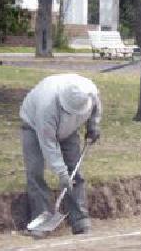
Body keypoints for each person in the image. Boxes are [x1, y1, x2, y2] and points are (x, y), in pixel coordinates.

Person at [19, 73, 102, 235]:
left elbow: (96, 107)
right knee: (35, 172)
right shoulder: (46, 107)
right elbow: (48, 144)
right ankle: (40, 219)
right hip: (34, 127)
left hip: (69, 130)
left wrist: (93, 125)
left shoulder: (88, 91)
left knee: (75, 173)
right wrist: (61, 173)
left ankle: (79, 219)